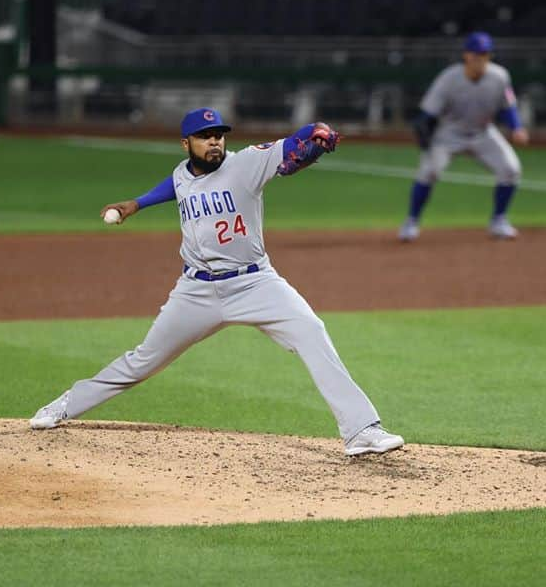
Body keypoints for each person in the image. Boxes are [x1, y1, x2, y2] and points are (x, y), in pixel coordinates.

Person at [30, 108, 405, 457]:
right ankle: (66, 404)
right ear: (186, 144)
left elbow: (294, 146)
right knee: (142, 361)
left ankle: (361, 430)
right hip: (195, 292)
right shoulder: (182, 172)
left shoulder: (246, 164)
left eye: (218, 135)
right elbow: (176, 183)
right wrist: (138, 203)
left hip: (256, 284)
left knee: (312, 331)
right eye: (205, 136)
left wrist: (316, 136)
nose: (214, 142)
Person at [398, 31, 529, 242]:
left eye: (485, 54)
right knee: (429, 171)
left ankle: (499, 221)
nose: (480, 59)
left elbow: (508, 107)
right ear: (466, 56)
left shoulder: (500, 76)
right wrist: (425, 141)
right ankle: (411, 222)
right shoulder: (449, 79)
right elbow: (427, 115)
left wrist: (516, 127)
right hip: (448, 134)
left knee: (511, 169)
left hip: (483, 132)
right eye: (476, 54)